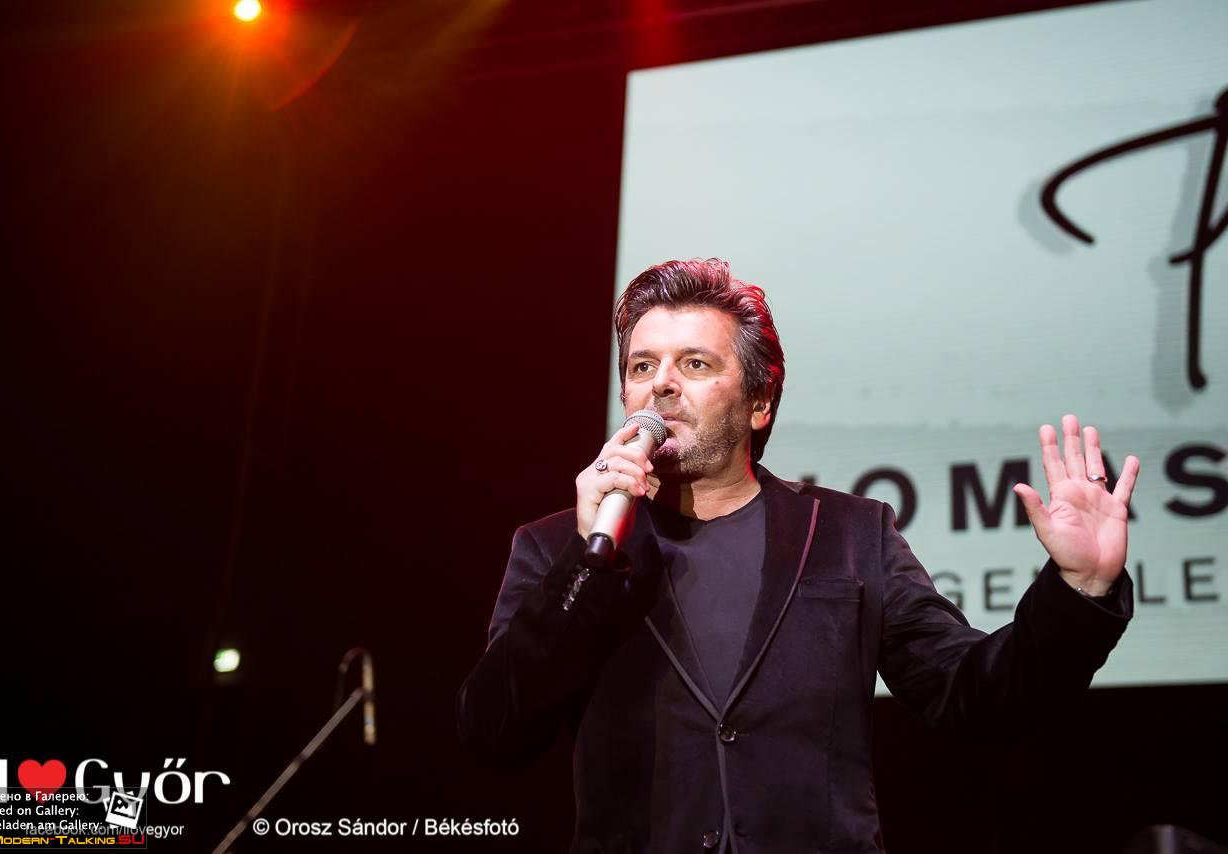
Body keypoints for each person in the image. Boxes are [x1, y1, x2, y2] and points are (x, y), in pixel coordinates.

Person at [456, 258, 1138, 854]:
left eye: (694, 364)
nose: (660, 384)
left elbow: (979, 698)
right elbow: (494, 732)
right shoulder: (557, 547)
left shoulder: (850, 534)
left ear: (759, 402)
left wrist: (1078, 587)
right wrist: (586, 561)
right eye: (642, 366)